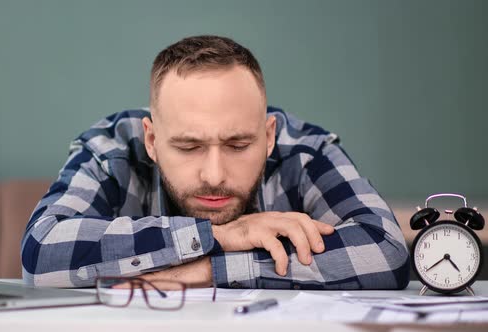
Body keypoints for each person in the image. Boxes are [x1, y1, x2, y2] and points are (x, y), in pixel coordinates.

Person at [21, 35, 409, 290]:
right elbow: (40, 253)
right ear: (152, 139)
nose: (215, 174)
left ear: (270, 135)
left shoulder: (303, 150)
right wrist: (219, 236)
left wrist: (209, 270)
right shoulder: (111, 151)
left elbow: (385, 248)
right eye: (188, 147)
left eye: (238, 144)